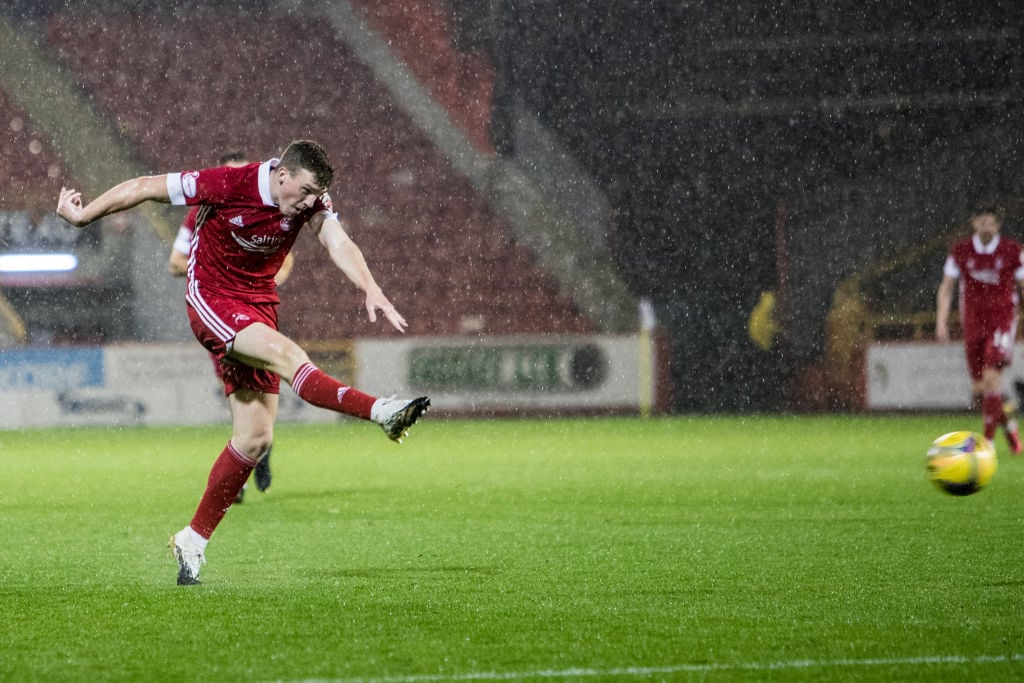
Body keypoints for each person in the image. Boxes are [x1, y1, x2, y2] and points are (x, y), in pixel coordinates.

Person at [57, 139, 430, 585]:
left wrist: (370, 285)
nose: (310, 203)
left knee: (255, 438)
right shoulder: (230, 183)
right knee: (291, 356)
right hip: (212, 299)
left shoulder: (310, 202)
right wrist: (83, 215)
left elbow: (338, 241)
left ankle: (192, 540)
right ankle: (381, 412)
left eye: (317, 196)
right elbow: (145, 186)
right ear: (282, 176)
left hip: (258, 304)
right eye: (305, 191)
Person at [168, 150, 292, 501]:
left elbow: (287, 257)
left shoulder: (267, 208)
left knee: (258, 384)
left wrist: (263, 279)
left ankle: (253, 452)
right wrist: (207, 261)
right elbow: (174, 262)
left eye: (244, 174)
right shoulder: (199, 215)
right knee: (237, 386)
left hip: (255, 311)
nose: (238, 182)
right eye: (230, 175)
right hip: (221, 312)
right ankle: (252, 453)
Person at [936, 205, 1023, 455]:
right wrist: (942, 321)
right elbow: (946, 287)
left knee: (991, 378)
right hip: (973, 324)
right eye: (983, 221)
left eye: (992, 222)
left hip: (1002, 321)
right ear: (974, 222)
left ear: (998, 224)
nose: (988, 226)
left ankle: (986, 447)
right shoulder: (961, 251)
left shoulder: (1012, 250)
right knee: (979, 391)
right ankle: (1010, 429)